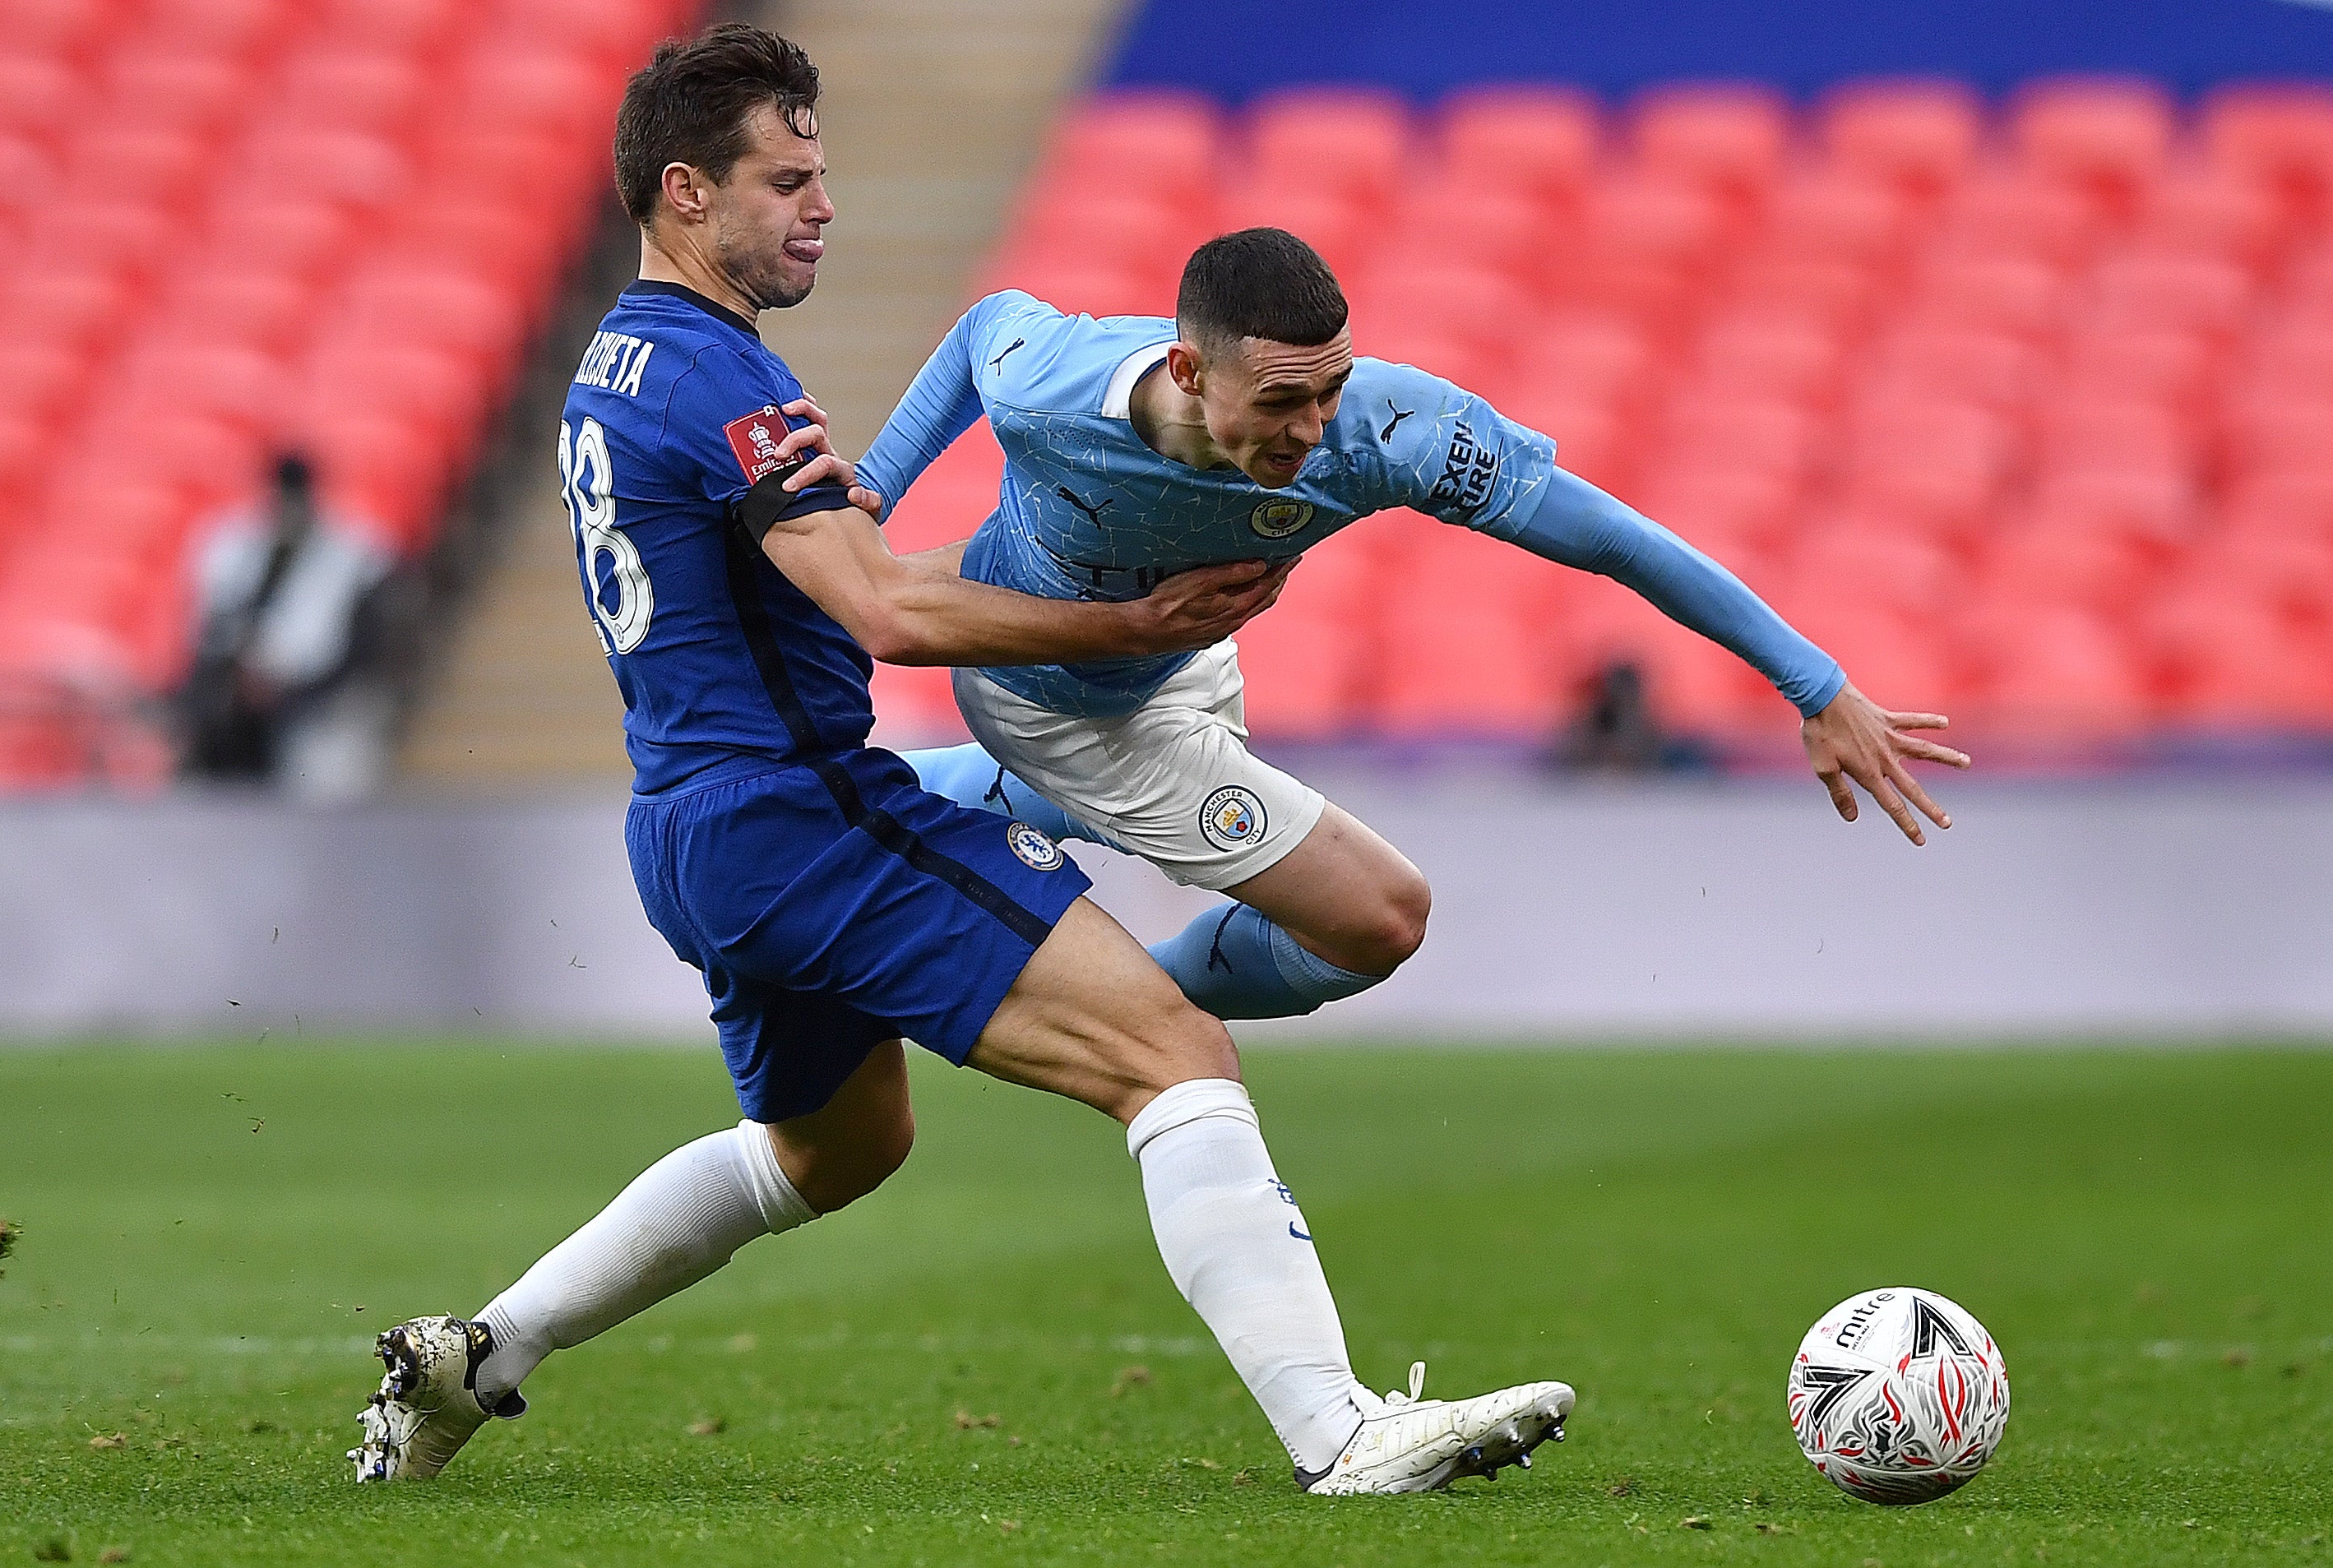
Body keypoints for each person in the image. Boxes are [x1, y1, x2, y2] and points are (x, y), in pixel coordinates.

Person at [349, 25, 1574, 1497]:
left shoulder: (615, 362)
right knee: (1170, 1056)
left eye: (823, 176)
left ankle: (479, 1356)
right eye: (785, 179)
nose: (820, 205)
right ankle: (1342, 1433)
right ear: (684, 191)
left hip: (687, 827)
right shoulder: (711, 378)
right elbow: (885, 602)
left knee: (833, 1148)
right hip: (805, 816)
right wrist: (1125, 620)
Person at [819, 229, 1971, 1022]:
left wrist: (1816, 685)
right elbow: (982, 330)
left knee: (1143, 801)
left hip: (1184, 660)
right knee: (1377, 918)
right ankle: (1096, 1004)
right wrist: (873, 488)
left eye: (1331, 388)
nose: (1315, 429)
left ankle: (884, 813)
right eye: (1281, 400)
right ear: (1185, 367)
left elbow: (1616, 537)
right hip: (1053, 701)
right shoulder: (1055, 386)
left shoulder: (1390, 432)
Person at [176, 451, 404, 798]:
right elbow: (212, 627)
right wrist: (243, 671)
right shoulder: (236, 545)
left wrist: (286, 683)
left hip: (316, 701)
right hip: (238, 704)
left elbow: (358, 647)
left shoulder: (354, 554)